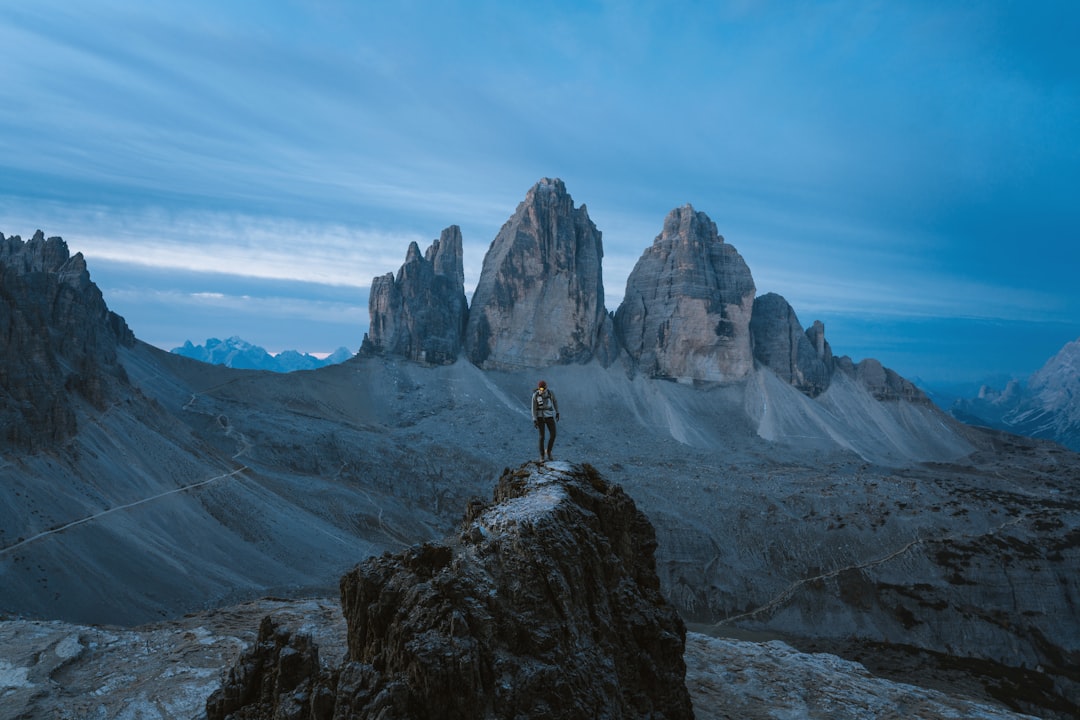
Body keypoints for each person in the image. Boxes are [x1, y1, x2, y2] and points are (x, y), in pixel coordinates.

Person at [531, 380, 559, 461]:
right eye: (540, 388)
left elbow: (555, 402)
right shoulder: (535, 395)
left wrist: (557, 412)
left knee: (553, 434)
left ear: (546, 387)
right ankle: (542, 455)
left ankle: (549, 451)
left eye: (543, 388)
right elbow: (533, 408)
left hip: (549, 416)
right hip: (540, 417)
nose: (541, 390)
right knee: (542, 436)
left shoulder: (550, 393)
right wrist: (534, 419)